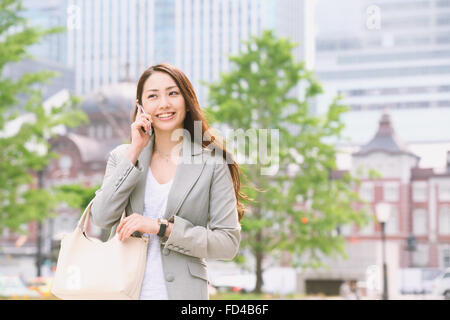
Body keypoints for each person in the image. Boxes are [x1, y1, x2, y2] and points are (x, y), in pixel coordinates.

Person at [90, 63, 251, 300]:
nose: (164, 103)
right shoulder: (122, 157)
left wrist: (161, 228)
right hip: (124, 291)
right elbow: (102, 217)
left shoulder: (213, 163)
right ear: (141, 107)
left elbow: (227, 243)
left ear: (187, 101)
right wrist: (135, 150)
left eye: (172, 93)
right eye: (153, 96)